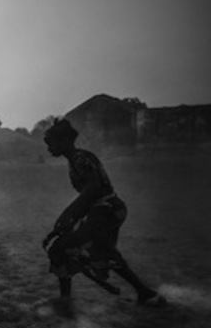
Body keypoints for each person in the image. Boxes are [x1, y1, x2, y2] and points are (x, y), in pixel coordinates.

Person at [42, 119, 164, 308]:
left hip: (107, 210)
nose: (49, 149)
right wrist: (68, 222)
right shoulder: (76, 159)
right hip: (104, 210)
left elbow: (93, 189)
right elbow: (89, 197)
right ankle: (145, 293)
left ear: (66, 140)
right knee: (97, 252)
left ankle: (66, 301)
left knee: (66, 249)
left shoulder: (81, 158)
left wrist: (67, 215)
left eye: (52, 143)